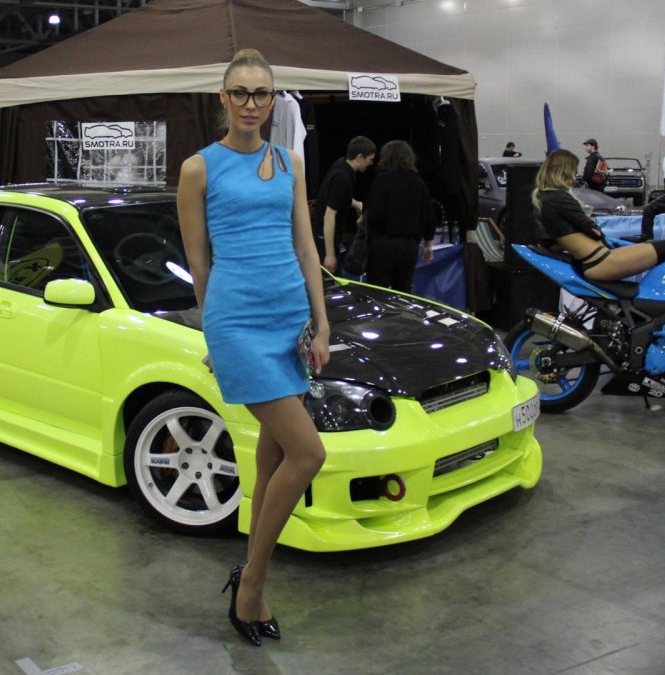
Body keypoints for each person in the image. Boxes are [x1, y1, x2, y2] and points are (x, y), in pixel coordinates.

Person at [176, 48, 329, 648]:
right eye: (239, 92)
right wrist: (214, 335)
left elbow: (307, 249)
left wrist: (322, 325)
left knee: (273, 460)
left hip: (289, 321)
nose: (250, 103)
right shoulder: (199, 168)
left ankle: (249, 571)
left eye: (260, 93)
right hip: (237, 323)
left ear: (272, 99)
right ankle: (252, 585)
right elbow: (199, 263)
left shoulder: (290, 162)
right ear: (223, 98)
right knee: (308, 454)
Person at [533, 149, 665, 281]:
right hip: (600, 260)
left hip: (597, 258)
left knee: (660, 247)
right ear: (563, 172)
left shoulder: (545, 198)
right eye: (572, 171)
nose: (574, 176)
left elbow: (549, 241)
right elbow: (594, 231)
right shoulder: (559, 198)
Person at [364, 140, 437, 293]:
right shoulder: (418, 183)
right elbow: (429, 217)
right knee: (404, 291)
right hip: (408, 246)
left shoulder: (381, 180)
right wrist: (428, 245)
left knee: (377, 292)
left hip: (382, 244)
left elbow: (374, 213)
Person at [310, 136, 375, 273]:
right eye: (370, 159)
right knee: (328, 279)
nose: (371, 163)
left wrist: (357, 204)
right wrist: (330, 255)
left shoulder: (341, 164)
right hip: (324, 238)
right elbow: (329, 216)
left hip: (323, 233)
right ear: (359, 157)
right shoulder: (342, 178)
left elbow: (335, 197)